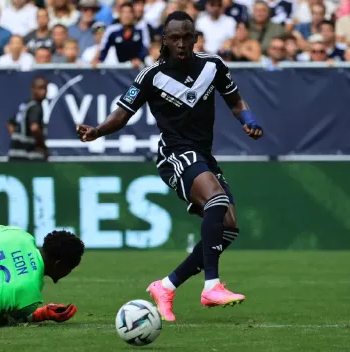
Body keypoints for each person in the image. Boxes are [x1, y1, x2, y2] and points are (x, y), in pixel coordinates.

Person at [77, 10, 263, 322]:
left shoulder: (213, 66)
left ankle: (166, 285)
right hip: (174, 153)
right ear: (164, 40)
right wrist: (97, 130)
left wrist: (249, 120)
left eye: (186, 37)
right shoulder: (151, 76)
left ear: (195, 39)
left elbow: (235, 101)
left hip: (202, 154)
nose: (180, 43)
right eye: (174, 38)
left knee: (227, 228)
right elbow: (122, 114)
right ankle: (212, 286)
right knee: (216, 199)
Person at [8, 76, 49, 161]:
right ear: (33, 89)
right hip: (28, 156)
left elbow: (10, 124)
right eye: (40, 88)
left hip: (15, 153)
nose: (43, 92)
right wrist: (41, 145)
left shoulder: (25, 105)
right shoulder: (35, 107)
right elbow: (34, 128)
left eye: (45, 88)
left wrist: (17, 141)